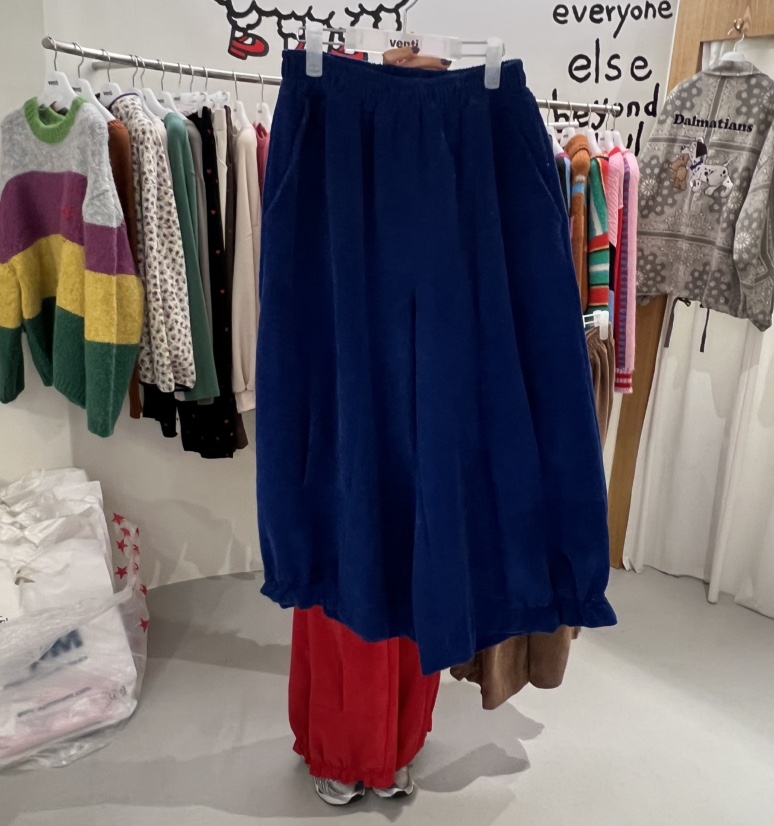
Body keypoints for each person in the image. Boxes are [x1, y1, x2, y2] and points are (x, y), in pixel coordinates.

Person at [285, 47, 449, 806]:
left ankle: (392, 746)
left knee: (413, 571)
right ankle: (344, 749)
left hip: (423, 392)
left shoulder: (458, 156)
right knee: (348, 565)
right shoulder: (332, 142)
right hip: (350, 389)